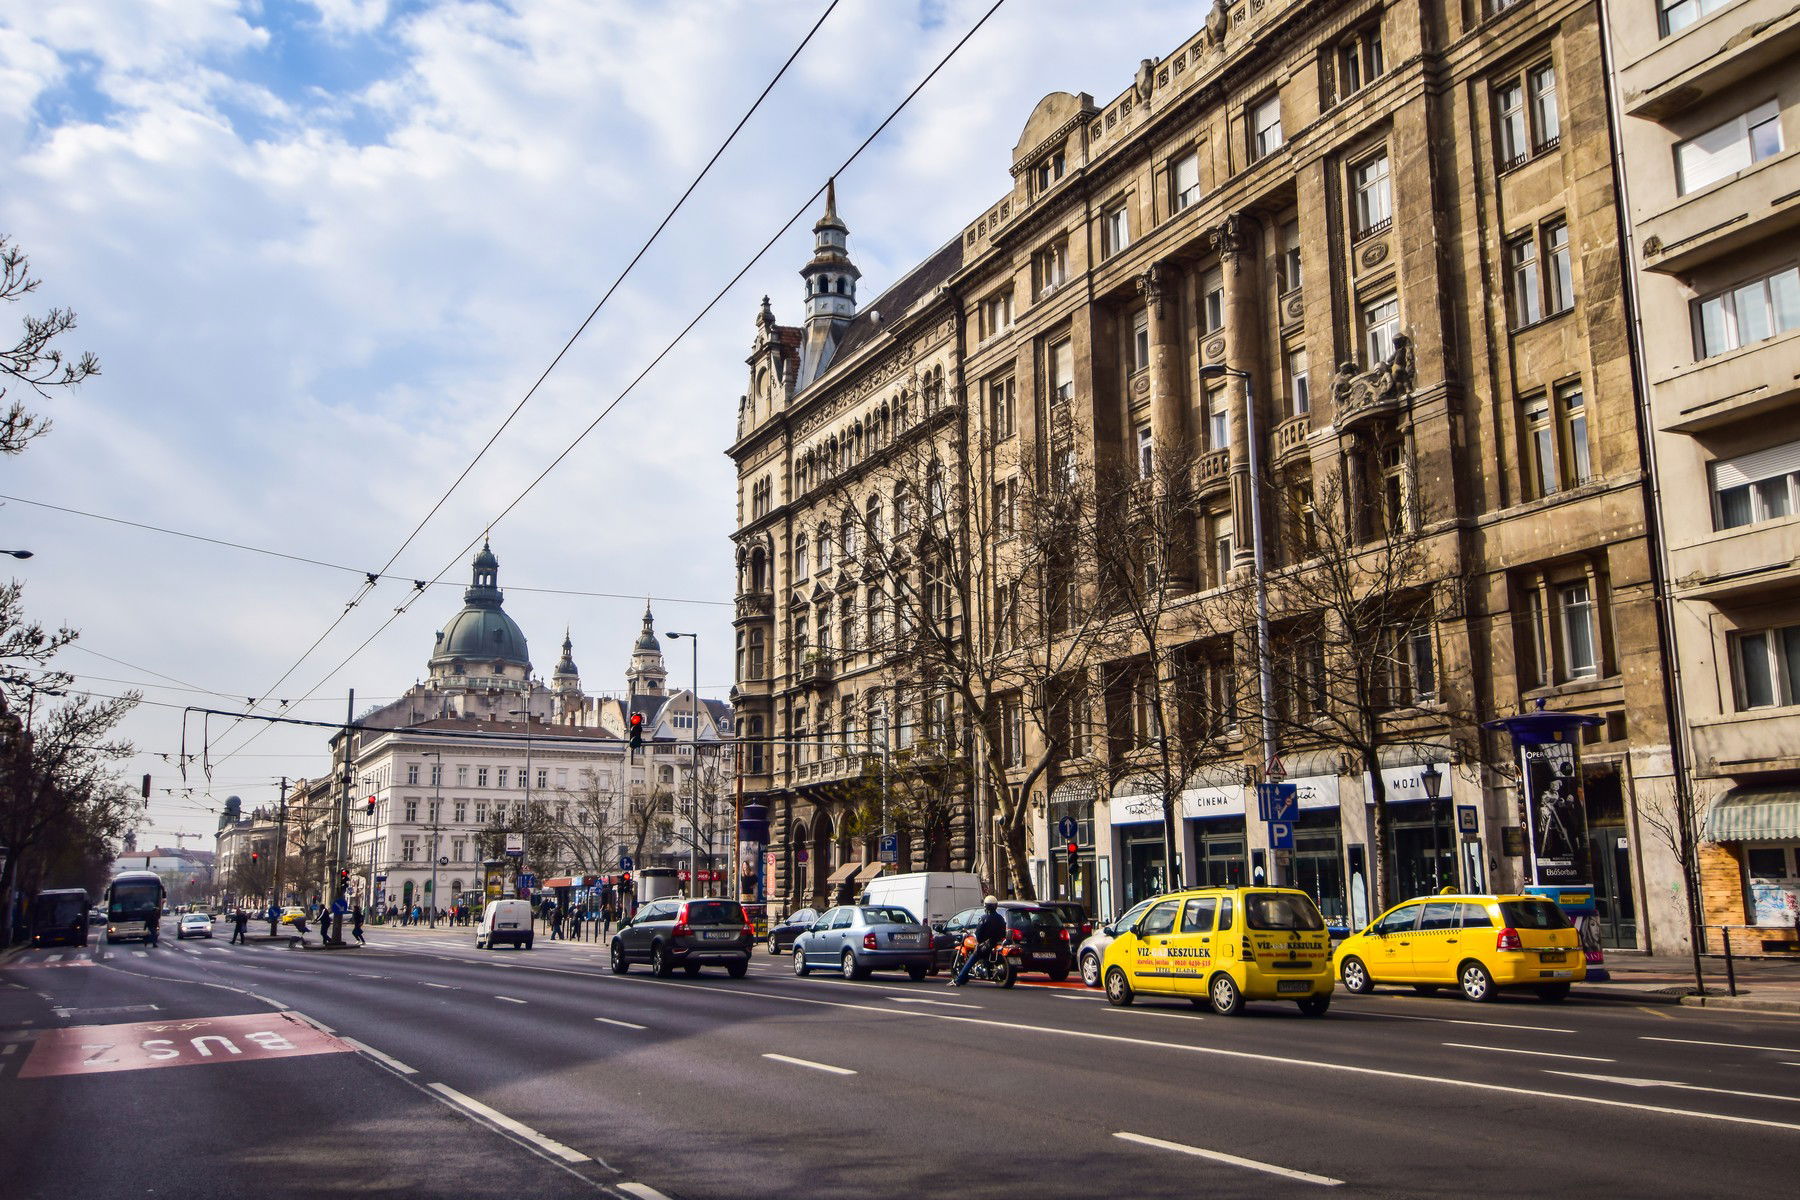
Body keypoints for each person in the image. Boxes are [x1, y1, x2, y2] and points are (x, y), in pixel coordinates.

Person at [951, 896, 1007, 987]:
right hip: (997, 943)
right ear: (996, 906)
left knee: (973, 958)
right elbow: (1003, 932)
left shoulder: (984, 918)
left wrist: (979, 941)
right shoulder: (1000, 918)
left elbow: (978, 934)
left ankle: (958, 980)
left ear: (986, 906)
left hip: (987, 945)